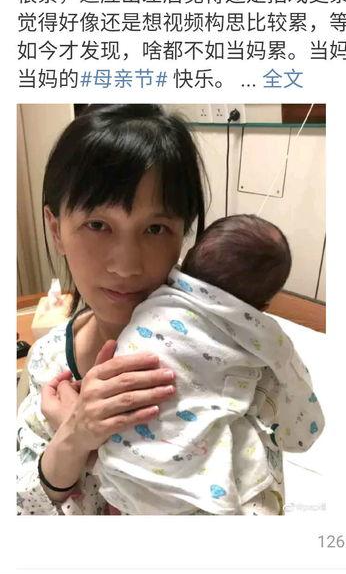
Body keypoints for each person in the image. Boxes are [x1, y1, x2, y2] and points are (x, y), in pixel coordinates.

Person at [17, 104, 207, 515]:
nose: (126, 266)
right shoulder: (50, 362)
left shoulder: (216, 358)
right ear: (56, 230)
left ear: (183, 232)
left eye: (155, 228)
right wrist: (73, 438)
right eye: (98, 225)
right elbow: (23, 506)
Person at [95, 214, 325, 515]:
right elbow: (296, 398)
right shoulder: (265, 337)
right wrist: (303, 434)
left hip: (122, 476)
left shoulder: (153, 300)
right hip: (197, 494)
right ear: (264, 307)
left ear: (188, 256)